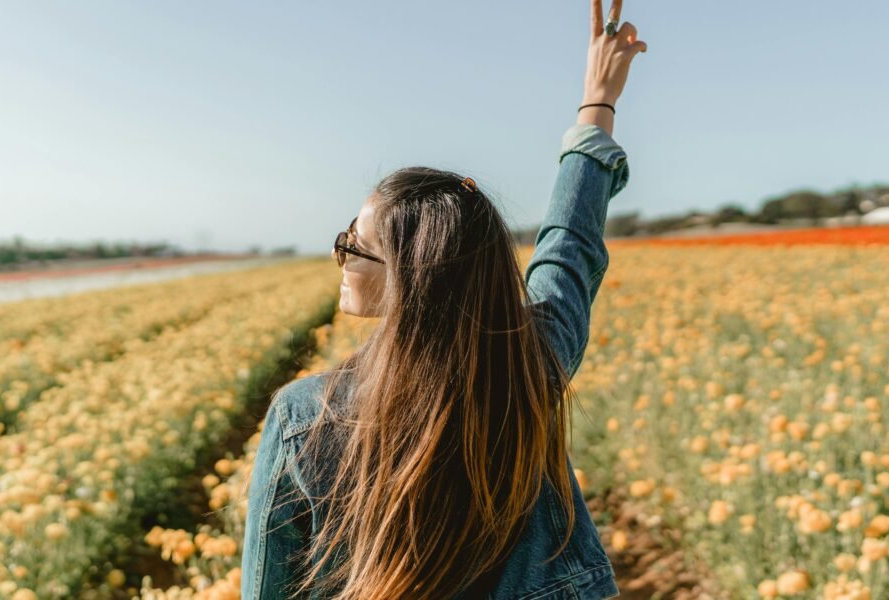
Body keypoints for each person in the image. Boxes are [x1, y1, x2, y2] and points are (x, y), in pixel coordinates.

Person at [242, 0, 647, 597]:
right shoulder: (528, 368)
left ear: (408, 278)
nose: (342, 254)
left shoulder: (306, 418)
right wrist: (598, 104)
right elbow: (569, 250)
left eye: (354, 243)